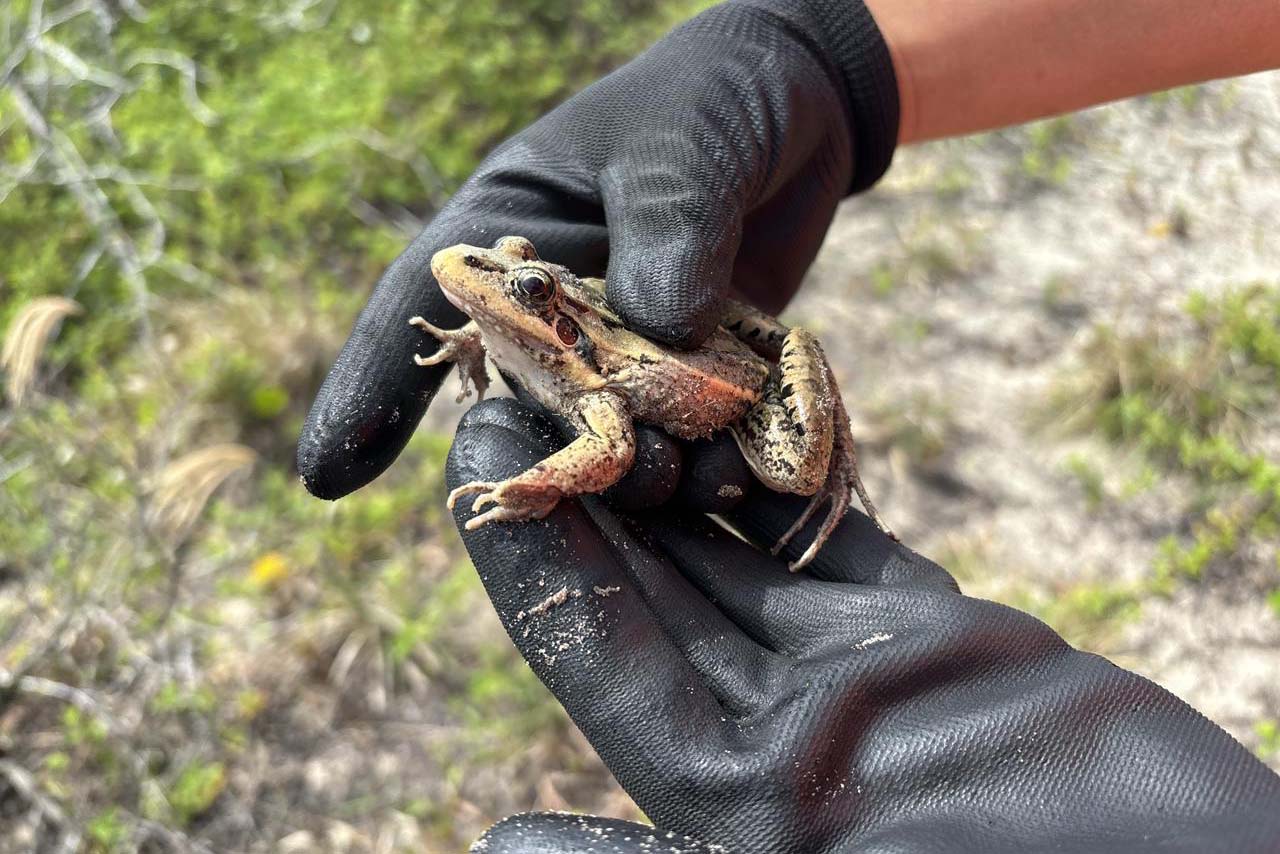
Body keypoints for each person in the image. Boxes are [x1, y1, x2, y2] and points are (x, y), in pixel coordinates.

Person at [296, 1, 1280, 850]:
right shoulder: (532, 334)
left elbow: (605, 444)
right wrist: (840, 46)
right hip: (650, 337)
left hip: (723, 397)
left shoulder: (587, 371)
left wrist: (536, 483)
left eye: (514, 282)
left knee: (780, 464)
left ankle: (832, 446)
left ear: (547, 307)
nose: (485, 279)